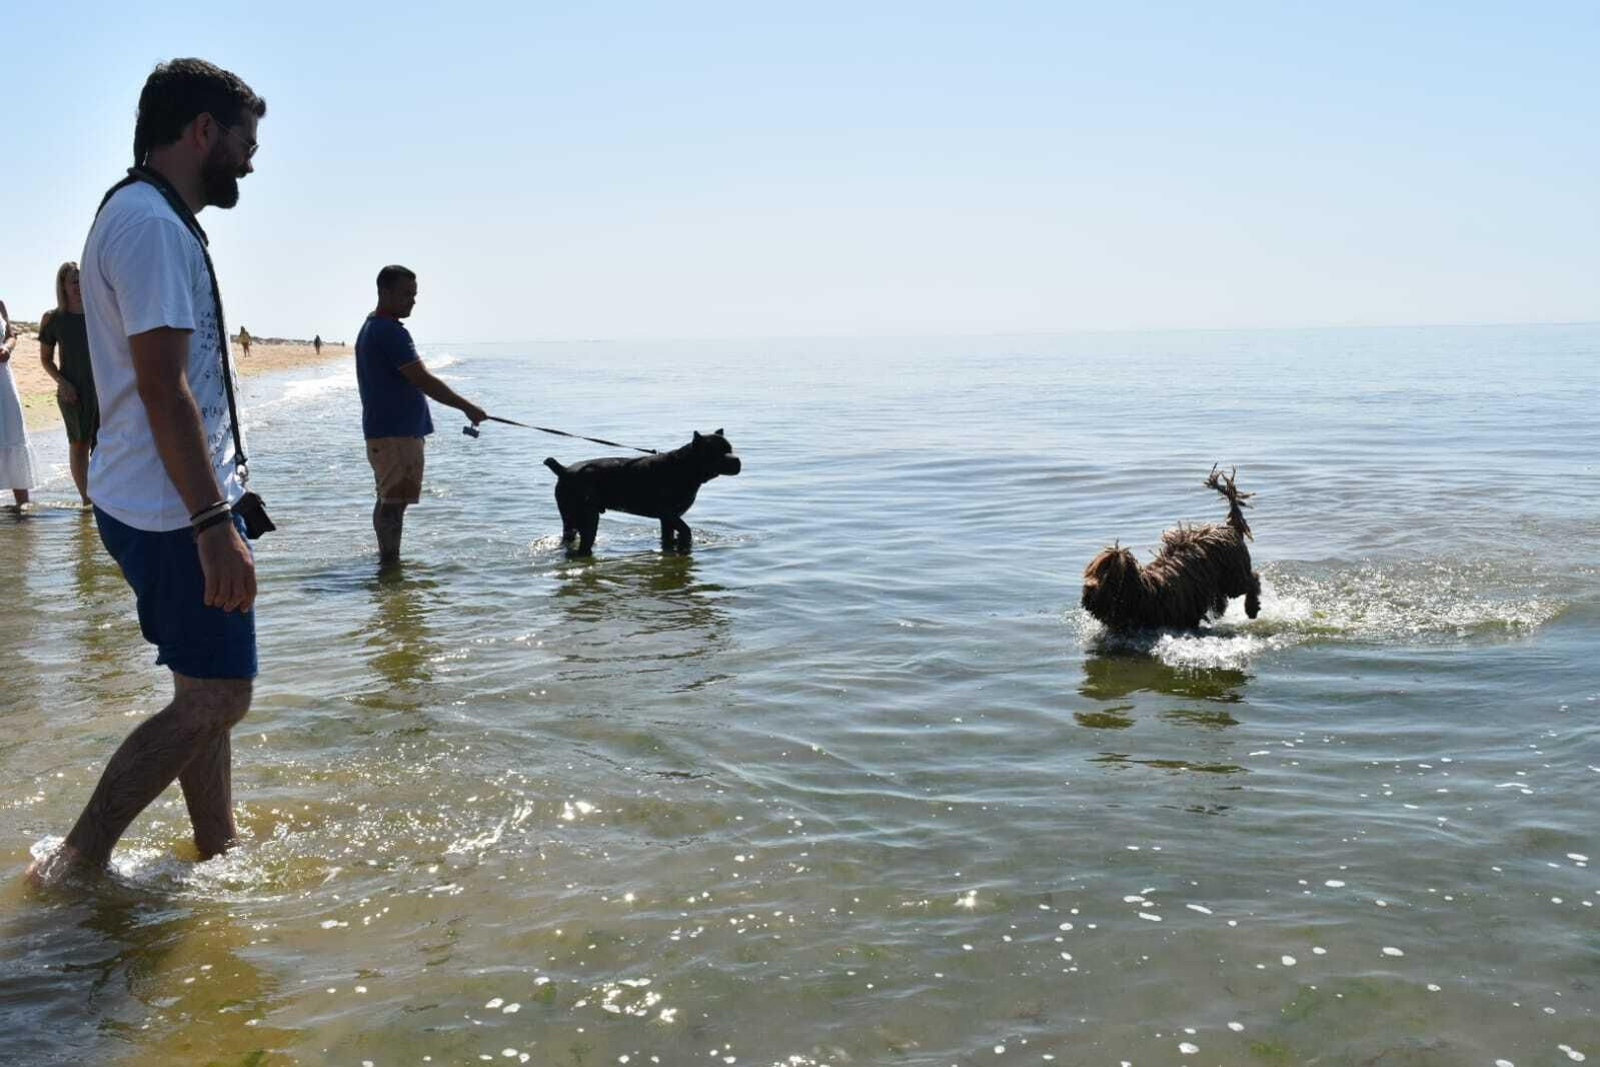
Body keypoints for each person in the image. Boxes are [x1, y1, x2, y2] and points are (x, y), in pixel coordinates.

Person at [28, 58, 267, 885]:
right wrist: (213, 525)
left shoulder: (142, 215)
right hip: (173, 509)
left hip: (164, 497)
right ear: (202, 130)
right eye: (244, 140)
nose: (250, 158)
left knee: (203, 688)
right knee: (218, 697)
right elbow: (165, 392)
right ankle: (77, 860)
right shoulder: (152, 226)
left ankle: (217, 843)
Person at [356, 265, 486, 565]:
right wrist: (467, 407)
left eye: (414, 295)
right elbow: (423, 380)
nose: (412, 301)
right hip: (396, 433)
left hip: (387, 431)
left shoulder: (374, 327)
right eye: (405, 295)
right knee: (393, 504)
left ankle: (387, 561)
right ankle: (390, 569)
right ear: (384, 292)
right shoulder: (389, 332)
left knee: (389, 500)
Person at [39, 262, 101, 504]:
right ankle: (87, 502)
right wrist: (62, 383)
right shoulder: (53, 319)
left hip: (103, 390)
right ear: (63, 286)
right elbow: (45, 360)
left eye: (81, 279)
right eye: (73, 281)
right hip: (72, 391)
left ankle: (104, 498)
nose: (78, 285)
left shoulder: (99, 314)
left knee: (104, 444)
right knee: (79, 444)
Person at [0, 298, 41, 508]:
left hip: (3, 380)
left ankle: (23, 510)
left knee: (12, 434)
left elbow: (11, 336)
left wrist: (7, 348)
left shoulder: (0, 303)